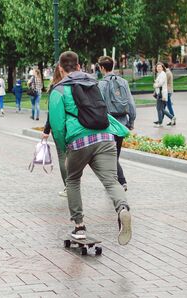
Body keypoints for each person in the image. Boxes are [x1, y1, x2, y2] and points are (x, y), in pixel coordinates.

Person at [41, 51, 132, 245]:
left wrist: (64, 149)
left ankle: (79, 226)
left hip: (80, 141)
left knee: (73, 180)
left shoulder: (58, 90)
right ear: (79, 66)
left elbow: (57, 126)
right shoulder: (93, 83)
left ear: (60, 68)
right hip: (106, 136)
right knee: (111, 181)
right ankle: (123, 209)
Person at [97, 55, 136, 191]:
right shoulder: (123, 82)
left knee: (110, 156)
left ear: (102, 68)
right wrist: (131, 121)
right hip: (122, 122)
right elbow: (131, 103)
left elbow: (99, 106)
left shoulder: (101, 84)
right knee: (115, 154)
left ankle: (121, 181)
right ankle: (115, 183)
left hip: (109, 124)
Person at [43, 65, 68, 197]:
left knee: (63, 156)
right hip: (74, 126)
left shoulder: (55, 88)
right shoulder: (72, 85)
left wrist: (46, 130)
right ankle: (73, 184)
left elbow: (51, 112)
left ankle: (68, 186)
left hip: (59, 127)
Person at [153, 63, 175, 127]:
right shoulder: (160, 74)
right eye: (157, 67)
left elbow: (160, 84)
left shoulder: (163, 74)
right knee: (160, 108)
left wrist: (155, 85)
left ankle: (170, 118)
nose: (158, 68)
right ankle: (162, 121)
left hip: (162, 93)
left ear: (163, 67)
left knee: (161, 108)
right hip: (161, 93)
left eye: (160, 67)